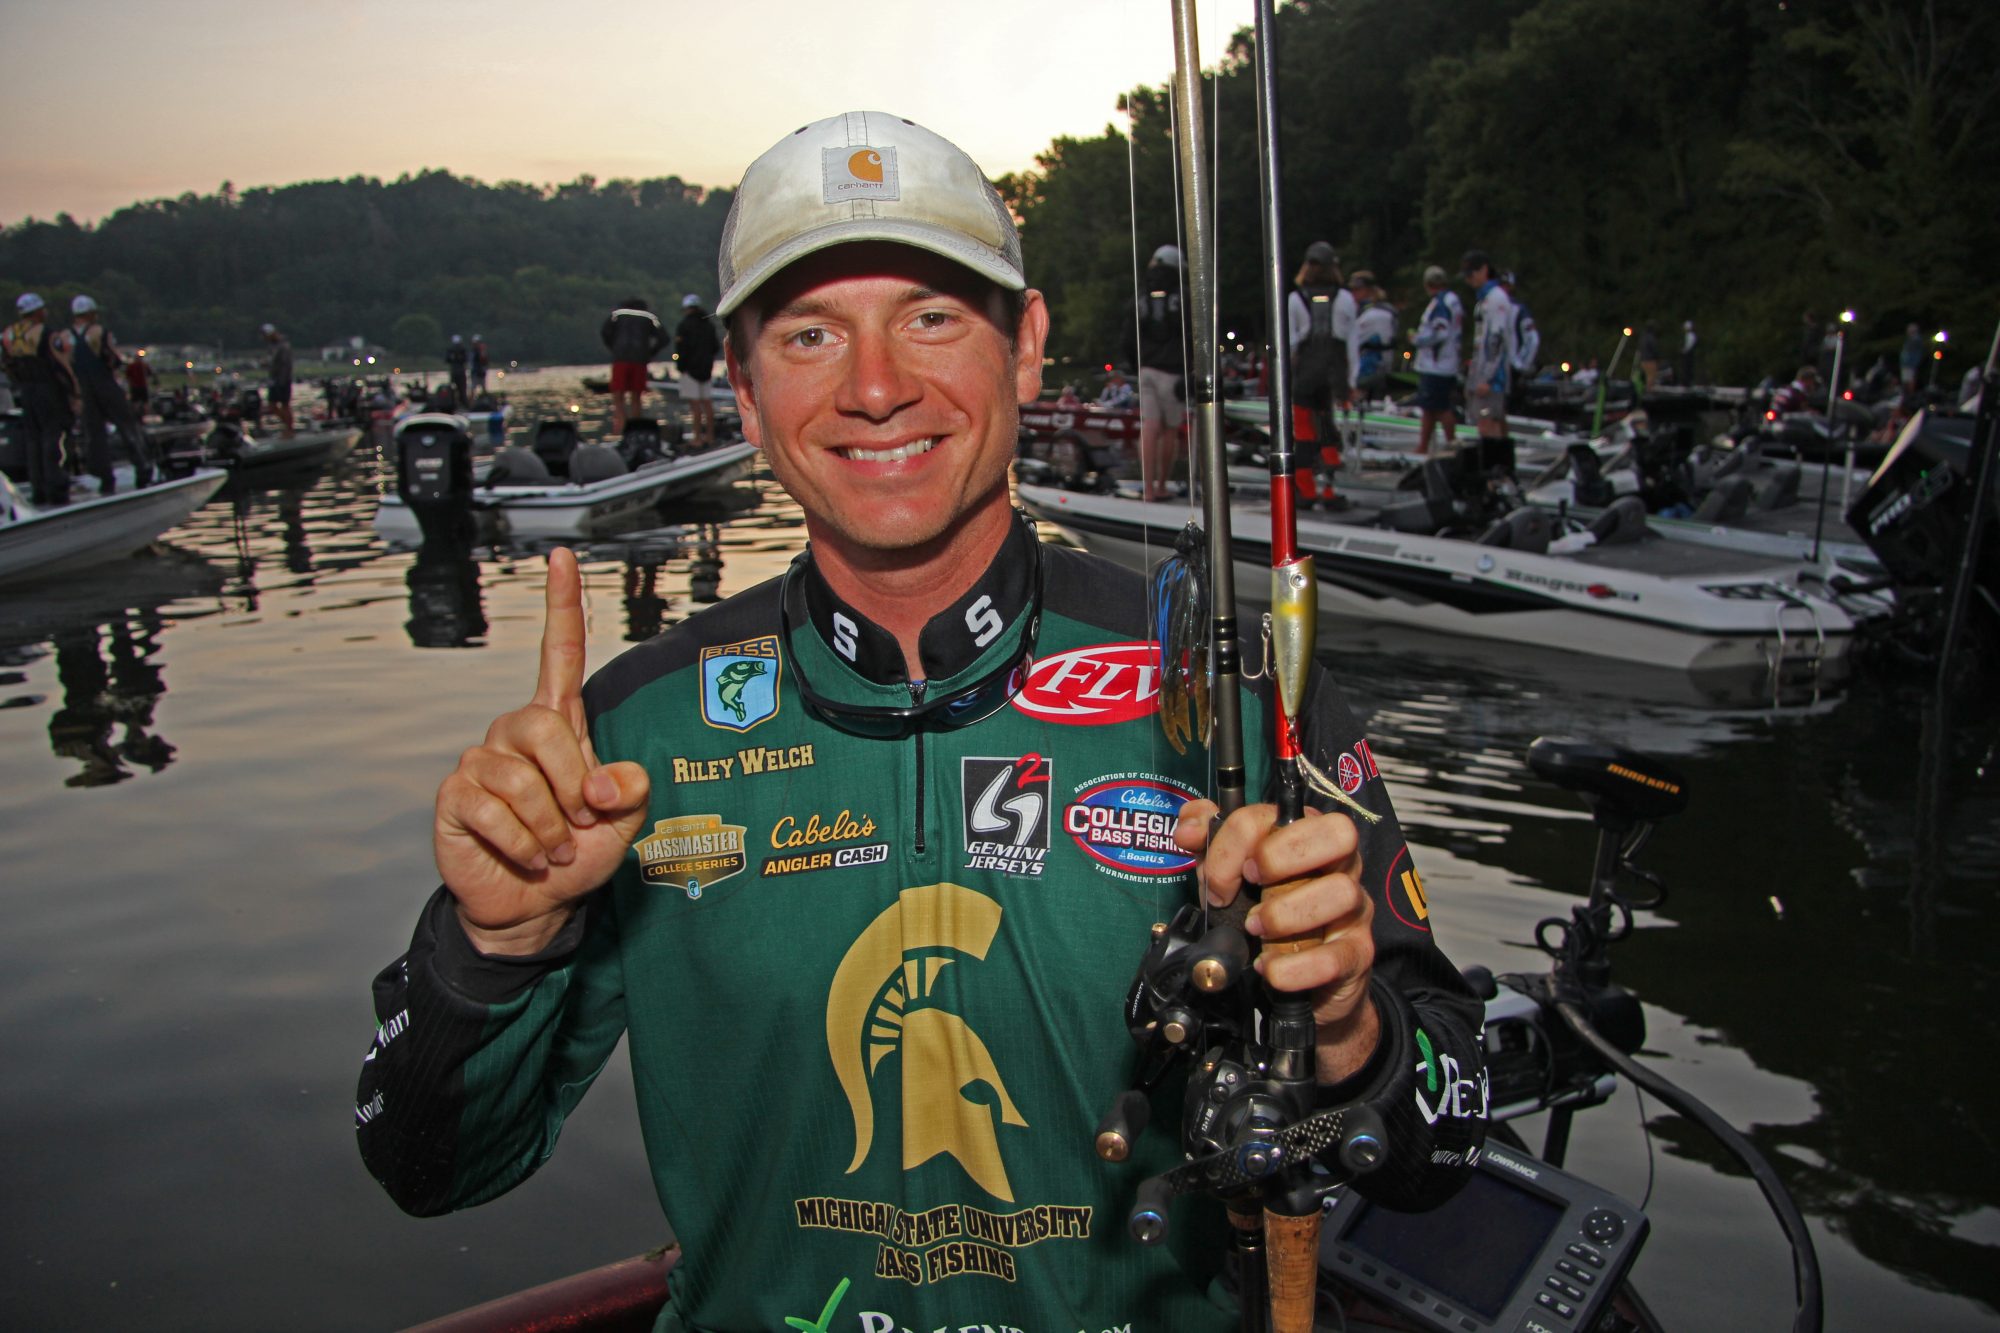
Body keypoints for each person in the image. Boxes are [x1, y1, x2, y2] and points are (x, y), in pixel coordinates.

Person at [355, 109, 1484, 1331]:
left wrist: (1346, 1031)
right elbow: (425, 1169)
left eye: (932, 317)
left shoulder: (1242, 689)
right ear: (742, 390)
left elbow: (1446, 1140)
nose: (877, 387)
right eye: (809, 334)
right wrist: (492, 946)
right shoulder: (629, 735)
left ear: (1027, 347)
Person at [68, 295, 157, 490]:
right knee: (127, 426)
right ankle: (142, 467)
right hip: (105, 383)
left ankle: (104, 476)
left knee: (94, 433)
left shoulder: (66, 336)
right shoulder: (100, 332)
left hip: (83, 388)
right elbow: (114, 359)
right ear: (91, 313)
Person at [1286, 240, 1349, 504]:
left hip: (1305, 376)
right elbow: (1350, 341)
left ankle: (1306, 491)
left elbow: (1291, 342)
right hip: (1333, 376)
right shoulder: (1344, 298)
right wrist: (1351, 383)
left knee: (1303, 434)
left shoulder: (1295, 298)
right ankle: (1330, 491)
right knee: (1328, 433)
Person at [2, 292, 80, 506]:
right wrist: (75, 392)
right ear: (36, 311)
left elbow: (7, 364)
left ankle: (39, 489)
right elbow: (62, 365)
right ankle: (57, 488)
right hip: (49, 390)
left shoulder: (9, 335)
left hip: (26, 392)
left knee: (33, 440)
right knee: (54, 438)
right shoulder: (47, 333)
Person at [1135, 243, 1186, 501]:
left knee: (1150, 425)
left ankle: (1148, 489)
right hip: (1172, 371)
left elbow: (1129, 333)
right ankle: (1162, 485)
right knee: (1169, 429)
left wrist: (1137, 364)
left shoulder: (1142, 294)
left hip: (1146, 369)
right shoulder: (1179, 295)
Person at [1461, 249, 1515, 440]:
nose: (1469, 279)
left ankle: (1495, 457)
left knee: (1487, 423)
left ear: (1484, 270)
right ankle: (1498, 455)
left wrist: (1487, 378)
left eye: (1472, 273)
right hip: (1481, 371)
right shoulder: (1484, 300)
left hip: (1493, 375)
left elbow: (1496, 340)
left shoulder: (1496, 298)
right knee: (1488, 422)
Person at [1410, 264, 1462, 455]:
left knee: (1440, 408)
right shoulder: (1453, 300)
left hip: (1436, 364)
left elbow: (1441, 332)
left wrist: (1417, 340)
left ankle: (1451, 443)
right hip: (1445, 363)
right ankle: (1423, 445)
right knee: (1429, 407)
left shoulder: (1441, 303)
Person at [601, 296, 668, 434]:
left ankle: (621, 429)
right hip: (640, 360)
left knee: (618, 397)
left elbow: (605, 332)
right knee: (636, 397)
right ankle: (635, 430)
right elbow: (664, 338)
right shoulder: (648, 317)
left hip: (620, 359)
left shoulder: (617, 315)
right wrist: (650, 353)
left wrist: (614, 348)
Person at [674, 293, 723, 451]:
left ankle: (697, 439)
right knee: (707, 404)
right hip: (706, 370)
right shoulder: (709, 325)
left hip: (690, 371)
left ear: (686, 308)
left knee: (695, 406)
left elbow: (680, 350)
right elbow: (715, 347)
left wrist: (680, 366)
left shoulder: (683, 326)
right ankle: (710, 436)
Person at [1348, 271, 1398, 405]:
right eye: (1352, 289)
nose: (1353, 293)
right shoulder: (1362, 310)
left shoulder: (1377, 313)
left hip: (1372, 370)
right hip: (1366, 367)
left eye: (1357, 289)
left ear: (1369, 290)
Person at [1500, 272, 1538, 400]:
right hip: (1492, 369)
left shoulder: (1519, 309)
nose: (1503, 289)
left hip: (1510, 368)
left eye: (1506, 285)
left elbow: (1533, 339)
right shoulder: (1486, 306)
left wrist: (1520, 365)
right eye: (1501, 285)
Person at [262, 323, 295, 439]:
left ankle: (289, 430)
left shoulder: (283, 346)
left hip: (283, 380)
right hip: (274, 379)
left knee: (285, 405)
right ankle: (287, 426)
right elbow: (272, 362)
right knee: (272, 406)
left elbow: (286, 364)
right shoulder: (271, 346)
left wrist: (282, 380)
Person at [445, 334, 470, 406]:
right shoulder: (452, 351)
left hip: (458, 372)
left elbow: (465, 359)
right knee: (458, 389)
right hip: (457, 372)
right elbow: (447, 360)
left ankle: (462, 403)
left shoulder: (461, 350)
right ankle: (457, 402)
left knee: (461, 389)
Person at [1899, 323, 1923, 399]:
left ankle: (1909, 396)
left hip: (1910, 364)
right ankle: (1907, 395)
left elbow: (1913, 353)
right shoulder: (1911, 340)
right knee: (1907, 380)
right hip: (1907, 363)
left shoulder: (1915, 340)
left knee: (1910, 380)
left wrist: (1910, 362)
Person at [125, 346, 151, 410]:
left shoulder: (143, 365)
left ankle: (141, 412)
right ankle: (137, 412)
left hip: (140, 386)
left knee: (143, 402)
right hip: (137, 386)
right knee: (138, 402)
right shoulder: (133, 366)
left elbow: (149, 374)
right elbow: (128, 376)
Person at [1680, 319, 1699, 387]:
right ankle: (1686, 382)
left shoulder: (1691, 335)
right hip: (1687, 353)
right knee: (1686, 368)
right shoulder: (1688, 335)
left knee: (1688, 367)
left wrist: (1684, 350)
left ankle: (1687, 382)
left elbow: (1689, 345)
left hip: (1689, 353)